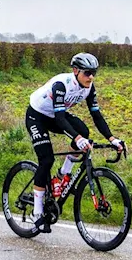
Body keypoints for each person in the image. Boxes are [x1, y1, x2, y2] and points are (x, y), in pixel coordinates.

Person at [24, 53, 125, 233]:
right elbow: (61, 118)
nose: (91, 77)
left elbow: (96, 116)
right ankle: (37, 213)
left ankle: (63, 175)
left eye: (94, 72)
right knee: (46, 160)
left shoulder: (89, 87)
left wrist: (112, 138)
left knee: (84, 131)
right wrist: (77, 139)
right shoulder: (61, 85)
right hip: (37, 116)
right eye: (87, 73)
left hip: (56, 116)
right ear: (76, 71)